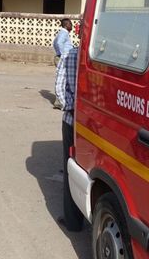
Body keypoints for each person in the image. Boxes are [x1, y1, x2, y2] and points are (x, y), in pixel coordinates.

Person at [60, 47, 84, 231]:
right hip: (88, 121)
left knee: (73, 166)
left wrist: (71, 107)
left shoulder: (71, 54)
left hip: (73, 119)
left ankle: (73, 221)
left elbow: (59, 86)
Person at [52, 19, 73, 109]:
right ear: (66, 25)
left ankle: (59, 100)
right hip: (63, 57)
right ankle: (60, 101)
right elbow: (59, 43)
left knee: (61, 79)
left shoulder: (62, 32)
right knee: (62, 79)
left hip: (61, 56)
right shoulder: (64, 33)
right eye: (70, 24)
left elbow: (54, 43)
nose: (71, 26)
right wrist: (62, 54)